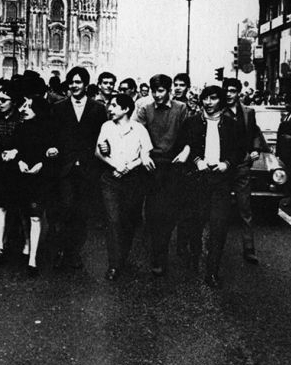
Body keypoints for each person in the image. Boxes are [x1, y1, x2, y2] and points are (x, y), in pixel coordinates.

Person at [179, 85, 244, 288]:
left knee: (218, 227)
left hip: (221, 182)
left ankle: (212, 271)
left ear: (221, 101)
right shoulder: (191, 122)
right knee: (195, 224)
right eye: (205, 99)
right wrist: (197, 161)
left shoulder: (232, 125)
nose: (208, 103)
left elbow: (239, 150)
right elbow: (185, 146)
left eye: (213, 98)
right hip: (197, 181)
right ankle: (194, 256)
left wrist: (226, 164)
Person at [49, 66, 107, 270]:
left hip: (88, 168)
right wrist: (52, 148)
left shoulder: (98, 109)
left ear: (86, 84)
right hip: (64, 168)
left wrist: (104, 147)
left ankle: (74, 253)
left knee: (81, 213)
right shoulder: (58, 107)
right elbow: (52, 135)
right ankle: (61, 250)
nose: (74, 86)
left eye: (78, 82)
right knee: (64, 209)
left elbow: (103, 136)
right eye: (71, 82)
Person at [133, 73, 189, 276]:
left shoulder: (181, 108)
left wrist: (185, 152)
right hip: (152, 166)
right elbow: (136, 133)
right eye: (154, 90)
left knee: (170, 213)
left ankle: (160, 248)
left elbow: (188, 134)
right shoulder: (144, 109)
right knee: (155, 212)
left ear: (169, 90)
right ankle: (158, 256)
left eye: (161, 90)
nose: (157, 95)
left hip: (173, 165)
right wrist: (143, 154)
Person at [96, 94, 152, 281]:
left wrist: (128, 166)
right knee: (112, 220)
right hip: (111, 178)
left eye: (114, 105)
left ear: (126, 109)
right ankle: (114, 264)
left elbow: (145, 154)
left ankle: (122, 256)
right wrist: (115, 165)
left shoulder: (139, 129)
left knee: (127, 221)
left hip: (133, 180)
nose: (110, 108)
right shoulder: (106, 126)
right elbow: (98, 151)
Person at [9, 96, 58, 277]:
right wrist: (20, 161)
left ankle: (33, 258)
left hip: (40, 178)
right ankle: (28, 242)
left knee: (35, 217)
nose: (25, 109)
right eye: (24, 106)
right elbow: (16, 149)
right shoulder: (20, 128)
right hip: (21, 176)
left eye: (29, 106)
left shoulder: (49, 130)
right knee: (24, 213)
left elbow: (53, 153)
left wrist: (42, 164)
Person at [223, 78, 264, 264]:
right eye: (227, 90)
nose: (229, 94)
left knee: (245, 209)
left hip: (241, 166)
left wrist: (255, 149)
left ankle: (249, 249)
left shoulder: (248, 112)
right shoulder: (217, 111)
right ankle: (216, 249)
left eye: (232, 90)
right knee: (219, 209)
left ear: (239, 92)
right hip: (222, 166)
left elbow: (255, 132)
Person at [0, 79, 23, 265]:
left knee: (18, 206)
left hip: (18, 168)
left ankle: (21, 242)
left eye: (4, 100)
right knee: (0, 206)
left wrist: (16, 151)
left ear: (14, 101)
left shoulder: (22, 118)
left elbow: (28, 142)